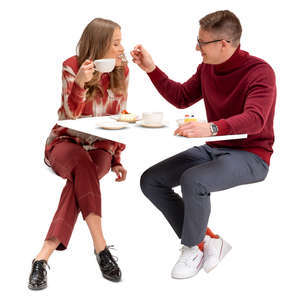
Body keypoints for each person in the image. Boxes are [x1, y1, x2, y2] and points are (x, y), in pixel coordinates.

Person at [131, 10, 276, 279]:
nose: (196, 47)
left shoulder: (260, 71)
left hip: (252, 156)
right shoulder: (207, 68)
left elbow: (255, 120)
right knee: (151, 180)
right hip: (214, 150)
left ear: (224, 43)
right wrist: (151, 68)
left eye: (202, 42)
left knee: (194, 180)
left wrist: (210, 128)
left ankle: (191, 248)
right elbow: (182, 97)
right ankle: (206, 240)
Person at [28, 18, 129, 290]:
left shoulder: (122, 70)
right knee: (83, 168)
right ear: (99, 45)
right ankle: (101, 247)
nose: (122, 48)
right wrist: (80, 85)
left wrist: (117, 158)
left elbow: (119, 117)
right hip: (66, 141)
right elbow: (68, 115)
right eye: (116, 43)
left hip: (100, 146)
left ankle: (42, 258)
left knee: (81, 177)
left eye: (122, 42)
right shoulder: (72, 67)